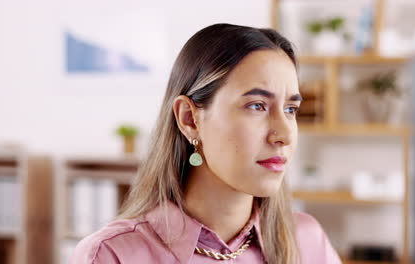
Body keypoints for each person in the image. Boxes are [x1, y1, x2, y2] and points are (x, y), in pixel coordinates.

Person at [70, 23, 342, 264]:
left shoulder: (307, 241)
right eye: (257, 106)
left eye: (290, 109)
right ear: (189, 119)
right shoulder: (109, 255)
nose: (284, 134)